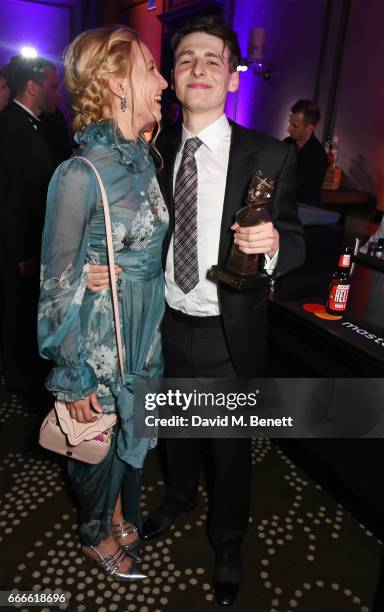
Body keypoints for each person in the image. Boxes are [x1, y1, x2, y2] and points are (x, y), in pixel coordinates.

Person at [88, 15, 305, 604]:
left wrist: (276, 247)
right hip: (162, 325)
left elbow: (296, 237)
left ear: (232, 78)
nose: (199, 68)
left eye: (213, 59)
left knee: (230, 453)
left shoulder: (270, 155)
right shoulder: (146, 154)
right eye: (185, 59)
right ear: (173, 79)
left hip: (228, 334)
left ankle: (229, 542)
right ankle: (179, 499)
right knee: (175, 435)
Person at [38, 25, 168, 580]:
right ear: (118, 84)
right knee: (99, 442)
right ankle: (96, 533)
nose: (162, 81)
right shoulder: (78, 173)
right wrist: (72, 372)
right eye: (150, 70)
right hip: (100, 337)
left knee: (128, 437)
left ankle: (119, 513)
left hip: (143, 326)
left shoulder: (145, 159)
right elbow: (56, 280)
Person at [0, 55, 62, 396]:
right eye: (53, 87)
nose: (58, 94)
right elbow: (10, 199)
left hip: (36, 242)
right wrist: (23, 253)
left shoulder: (39, 124)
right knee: (18, 314)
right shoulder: (11, 126)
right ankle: (19, 380)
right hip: (19, 247)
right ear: (32, 87)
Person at [284, 99, 328, 206]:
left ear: (309, 128)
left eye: (295, 126)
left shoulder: (318, 156)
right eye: (290, 123)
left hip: (301, 211)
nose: (288, 129)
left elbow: (307, 197)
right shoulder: (287, 143)